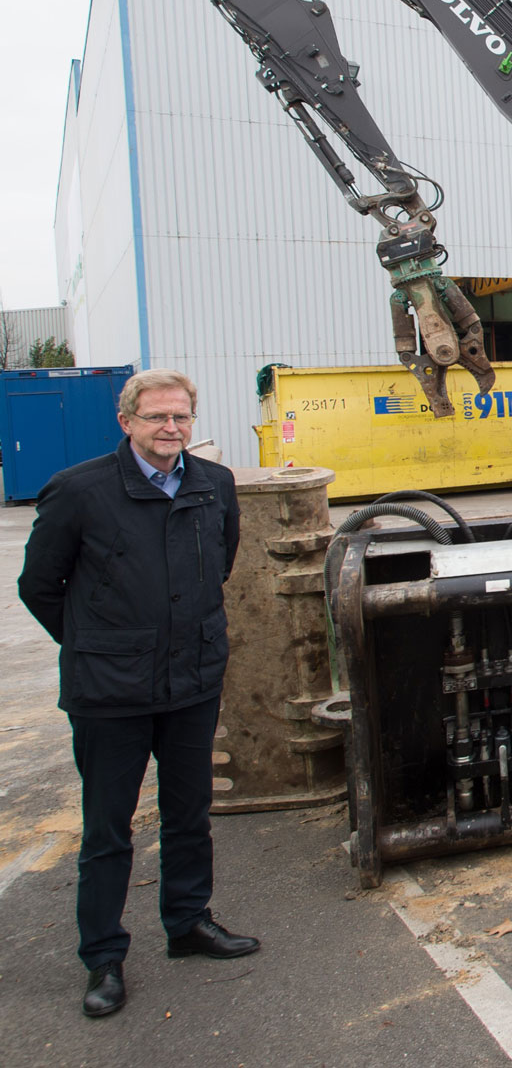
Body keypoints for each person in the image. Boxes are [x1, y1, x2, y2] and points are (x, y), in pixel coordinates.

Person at [16, 369, 261, 1020]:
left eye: (180, 417)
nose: (170, 429)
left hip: (191, 681)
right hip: (111, 691)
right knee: (107, 829)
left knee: (189, 813)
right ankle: (103, 956)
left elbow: (223, 560)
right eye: (156, 417)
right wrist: (99, 643)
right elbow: (39, 586)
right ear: (127, 422)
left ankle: (187, 923)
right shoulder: (79, 492)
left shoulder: (214, 486)